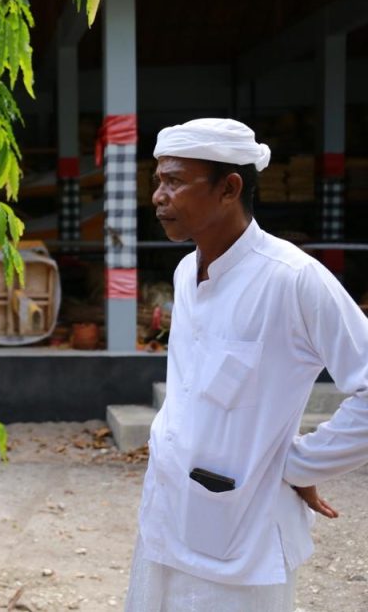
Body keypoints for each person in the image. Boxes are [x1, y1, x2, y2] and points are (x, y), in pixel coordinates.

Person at [125, 119, 368, 611]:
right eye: (157, 181)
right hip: (166, 517)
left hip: (242, 538)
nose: (158, 196)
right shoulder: (186, 272)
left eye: (174, 181)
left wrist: (299, 463)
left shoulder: (292, 278)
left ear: (229, 188)